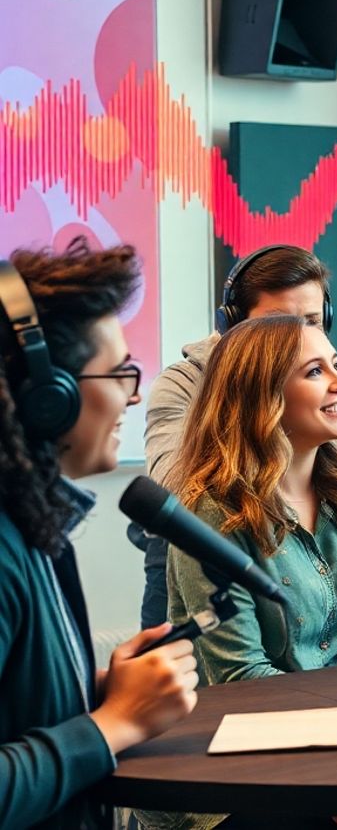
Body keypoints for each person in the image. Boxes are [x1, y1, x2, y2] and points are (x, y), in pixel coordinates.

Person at [156, 315, 337, 830]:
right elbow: (241, 678)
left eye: (335, 364)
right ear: (264, 396)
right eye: (315, 371)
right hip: (238, 764)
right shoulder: (210, 513)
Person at [0, 239, 197, 829]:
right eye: (120, 373)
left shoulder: (30, 524)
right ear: (48, 398)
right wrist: (114, 725)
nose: (133, 396)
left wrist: (92, 689)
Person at [132, 244, 337, 629]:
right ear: (232, 323)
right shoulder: (182, 383)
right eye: (275, 322)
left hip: (307, 541)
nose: (295, 338)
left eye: (311, 321)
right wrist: (266, 425)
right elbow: (176, 491)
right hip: (211, 540)